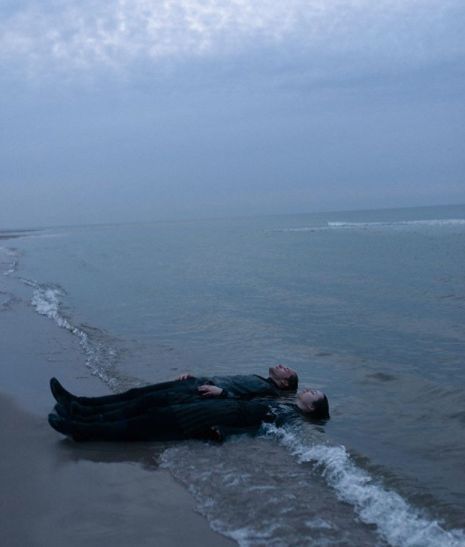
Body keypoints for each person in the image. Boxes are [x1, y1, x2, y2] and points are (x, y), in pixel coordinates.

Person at [48, 387, 330, 443]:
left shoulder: (290, 418)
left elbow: (261, 429)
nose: (309, 390)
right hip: (209, 409)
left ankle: (81, 429)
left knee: (143, 424)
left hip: (205, 418)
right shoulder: (285, 405)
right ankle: (84, 418)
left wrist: (223, 432)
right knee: (151, 413)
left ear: (311, 407)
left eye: (314, 394)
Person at [50, 364, 299, 419]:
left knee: (141, 403)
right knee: (137, 394)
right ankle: (79, 403)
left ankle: (82, 414)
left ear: (285, 384)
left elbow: (245, 407)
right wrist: (195, 376)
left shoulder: (271, 393)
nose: (280, 366)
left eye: (286, 370)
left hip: (197, 394)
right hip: (194, 383)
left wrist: (218, 392)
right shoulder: (260, 379)